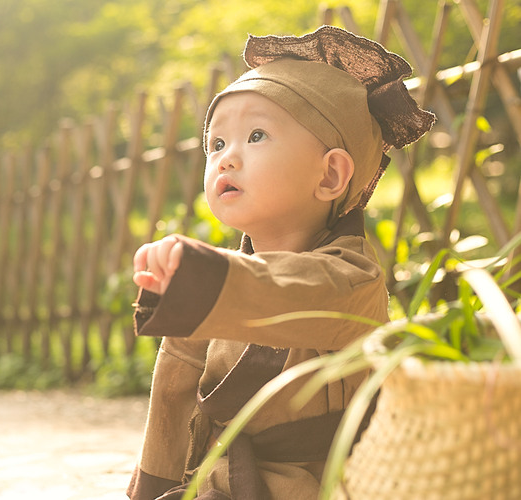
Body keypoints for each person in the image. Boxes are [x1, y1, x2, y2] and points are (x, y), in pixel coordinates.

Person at [126, 25, 435, 500]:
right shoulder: (223, 280)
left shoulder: (352, 278)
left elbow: (291, 291)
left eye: (255, 135)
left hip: (328, 483)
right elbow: (173, 394)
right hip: (223, 481)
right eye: (216, 144)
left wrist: (203, 277)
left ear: (330, 174)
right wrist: (155, 486)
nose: (226, 159)